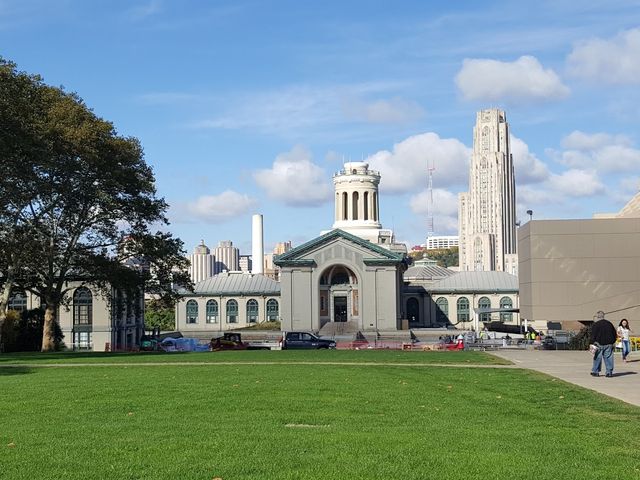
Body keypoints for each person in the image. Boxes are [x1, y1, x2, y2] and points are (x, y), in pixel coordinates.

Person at [590, 310, 617, 377]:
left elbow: (593, 335)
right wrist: (613, 342)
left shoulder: (596, 324)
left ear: (598, 316)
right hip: (609, 344)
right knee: (608, 358)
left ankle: (596, 372)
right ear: (603, 316)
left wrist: (591, 343)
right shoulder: (609, 324)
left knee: (597, 358)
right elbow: (614, 333)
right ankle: (609, 372)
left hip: (598, 344)